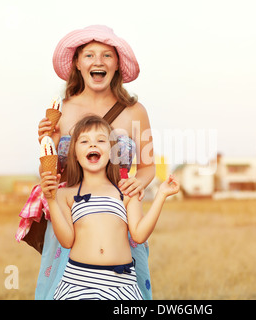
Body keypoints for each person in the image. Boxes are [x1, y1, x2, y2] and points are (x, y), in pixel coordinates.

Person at [23, 25, 156, 300]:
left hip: (119, 217)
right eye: (89, 55)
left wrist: (134, 186)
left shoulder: (135, 112)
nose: (98, 61)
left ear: (117, 64)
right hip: (71, 215)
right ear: (77, 63)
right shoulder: (62, 111)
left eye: (107, 55)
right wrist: (45, 145)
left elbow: (148, 167)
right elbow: (52, 169)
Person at [40, 115, 179, 300]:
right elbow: (66, 241)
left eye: (100, 140)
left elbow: (139, 234)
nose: (92, 145)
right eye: (84, 141)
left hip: (122, 285)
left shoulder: (126, 190)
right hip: (78, 282)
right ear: (74, 153)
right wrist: (51, 200)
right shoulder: (66, 194)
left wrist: (161, 194)